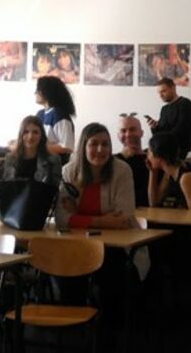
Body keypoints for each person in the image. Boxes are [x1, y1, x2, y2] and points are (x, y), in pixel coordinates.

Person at [56, 123, 146, 309]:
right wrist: (104, 221)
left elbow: (124, 218)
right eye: (94, 144)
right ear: (83, 147)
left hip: (116, 248)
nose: (100, 150)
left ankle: (108, 323)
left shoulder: (122, 170)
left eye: (105, 144)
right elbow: (62, 219)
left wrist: (78, 215)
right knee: (65, 268)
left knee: (112, 272)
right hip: (78, 246)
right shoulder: (68, 172)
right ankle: (75, 321)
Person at [147, 133, 191, 211]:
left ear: (158, 157)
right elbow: (154, 203)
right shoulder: (169, 174)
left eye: (149, 152)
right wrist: (153, 173)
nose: (147, 157)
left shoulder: (186, 178)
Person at [1, 115, 62, 186]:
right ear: (21, 135)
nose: (30, 137)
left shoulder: (53, 160)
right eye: (26, 132)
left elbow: (55, 188)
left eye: (35, 132)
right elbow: (6, 184)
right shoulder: (10, 158)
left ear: (41, 136)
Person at [146, 77, 191, 160]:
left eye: (163, 91)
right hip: (163, 148)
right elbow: (159, 134)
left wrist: (160, 139)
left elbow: (180, 131)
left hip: (177, 150)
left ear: (173, 88)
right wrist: (154, 127)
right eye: (159, 93)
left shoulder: (185, 104)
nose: (160, 95)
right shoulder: (164, 109)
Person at [35, 75, 75, 157]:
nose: (35, 93)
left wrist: (37, 148)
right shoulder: (40, 114)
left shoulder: (59, 116)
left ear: (47, 92)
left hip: (55, 162)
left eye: (38, 90)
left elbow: (67, 147)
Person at [116, 114, 150, 207]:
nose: (128, 134)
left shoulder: (152, 160)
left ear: (141, 133)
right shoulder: (111, 162)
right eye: (123, 131)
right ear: (118, 136)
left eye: (132, 129)